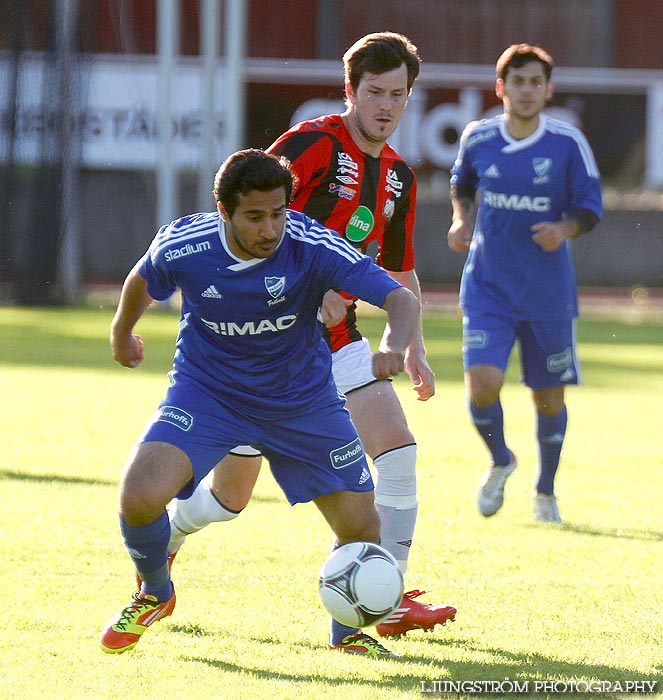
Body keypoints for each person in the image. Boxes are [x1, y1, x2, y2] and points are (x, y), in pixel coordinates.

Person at [165, 32, 457, 651]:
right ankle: (167, 539)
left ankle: (385, 595)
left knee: (398, 452)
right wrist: (296, 285)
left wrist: (414, 348)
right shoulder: (314, 145)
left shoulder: (400, 177)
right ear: (350, 90)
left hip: (342, 340)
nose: (385, 105)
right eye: (373, 92)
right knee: (230, 495)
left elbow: (399, 271)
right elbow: (247, 211)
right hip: (268, 348)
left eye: (397, 95)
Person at [101, 148, 421, 657]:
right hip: (209, 394)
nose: (270, 229)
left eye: (278, 213)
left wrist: (394, 346)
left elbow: (401, 298)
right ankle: (156, 592)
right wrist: (122, 332)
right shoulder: (188, 243)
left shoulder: (312, 244)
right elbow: (143, 278)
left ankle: (348, 634)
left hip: (302, 400)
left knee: (362, 526)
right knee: (139, 494)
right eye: (254, 217)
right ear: (224, 211)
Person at [447, 43, 603, 523]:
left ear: (548, 89)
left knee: (548, 396)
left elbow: (590, 207)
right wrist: (460, 220)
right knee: (481, 386)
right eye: (518, 81)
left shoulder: (566, 142)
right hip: (488, 285)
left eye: (536, 82)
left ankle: (545, 492)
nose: (527, 90)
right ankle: (500, 460)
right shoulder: (478, 137)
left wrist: (564, 229)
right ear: (501, 88)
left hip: (547, 293)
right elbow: (462, 181)